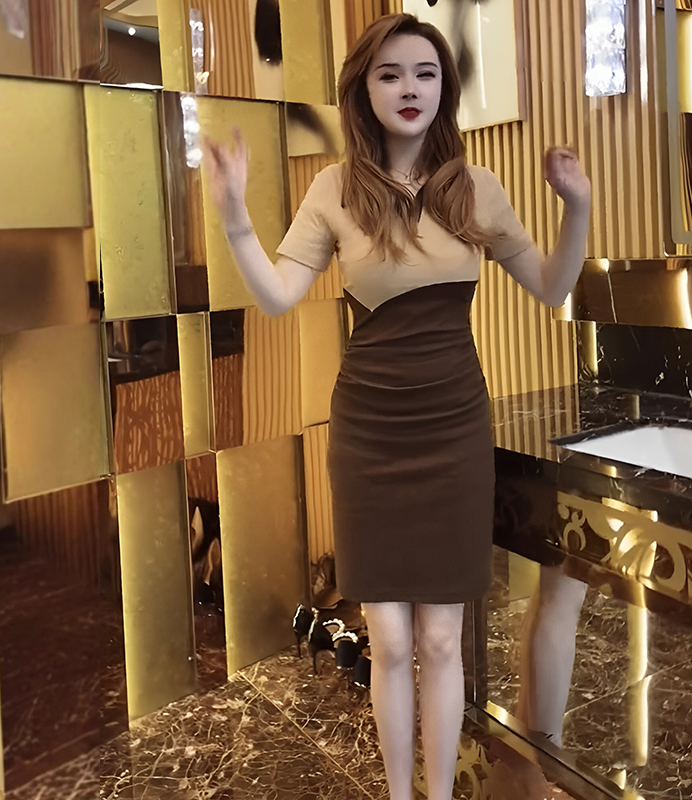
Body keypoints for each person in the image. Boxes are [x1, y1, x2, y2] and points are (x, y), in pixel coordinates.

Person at [202, 13, 590, 800]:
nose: (408, 88)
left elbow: (553, 288)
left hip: (453, 426)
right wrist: (236, 216)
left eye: (425, 73)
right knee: (386, 639)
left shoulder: (476, 188)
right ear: (364, 90)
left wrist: (576, 205)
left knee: (441, 639)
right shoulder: (334, 190)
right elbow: (277, 296)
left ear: (443, 88)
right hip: (370, 433)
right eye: (389, 74)